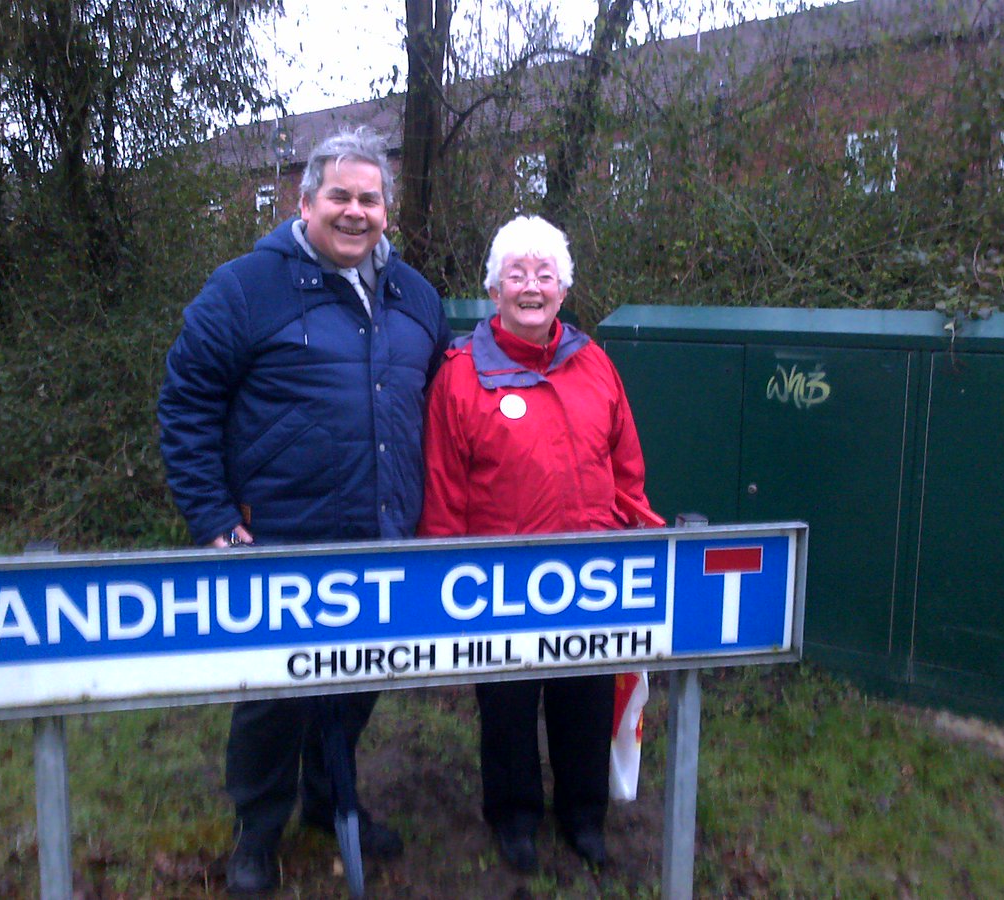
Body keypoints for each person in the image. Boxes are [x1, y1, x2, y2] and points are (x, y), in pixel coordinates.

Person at [157, 126, 452, 895]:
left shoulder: (415, 296)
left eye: (370, 198)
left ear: (389, 208)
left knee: (357, 682)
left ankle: (328, 800)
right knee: (273, 697)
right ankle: (258, 830)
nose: (355, 212)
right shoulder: (244, 288)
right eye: (340, 197)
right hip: (279, 539)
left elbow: (445, 404)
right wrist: (215, 520)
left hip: (383, 538)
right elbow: (186, 405)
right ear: (307, 201)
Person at [417, 215, 654, 873]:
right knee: (509, 707)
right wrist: (444, 575)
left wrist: (643, 533)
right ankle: (513, 818)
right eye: (516, 274)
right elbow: (443, 486)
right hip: (498, 581)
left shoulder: (595, 362)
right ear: (494, 290)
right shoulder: (461, 374)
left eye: (543, 274)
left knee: (585, 697)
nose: (530, 286)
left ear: (562, 288)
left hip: (591, 573)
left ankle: (584, 817)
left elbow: (625, 465)